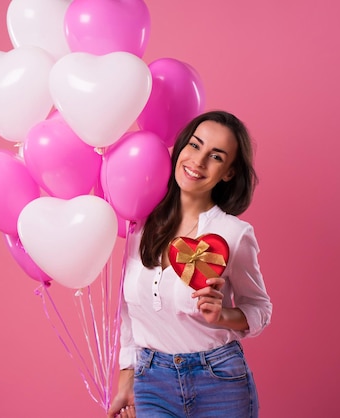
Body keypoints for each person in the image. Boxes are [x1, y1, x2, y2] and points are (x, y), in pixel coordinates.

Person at [107, 110, 272, 418]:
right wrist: (126, 379)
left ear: (229, 173)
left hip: (220, 381)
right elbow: (128, 311)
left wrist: (223, 314)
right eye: (195, 145)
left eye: (216, 156)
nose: (198, 161)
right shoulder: (138, 222)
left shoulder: (234, 234)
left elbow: (260, 309)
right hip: (151, 382)